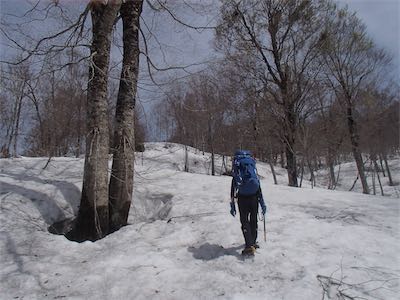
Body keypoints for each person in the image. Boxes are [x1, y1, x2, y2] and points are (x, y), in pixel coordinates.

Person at [230, 150, 266, 256]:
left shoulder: (237, 171)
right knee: (253, 220)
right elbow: (258, 186)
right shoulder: (252, 170)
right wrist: (262, 203)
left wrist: (232, 206)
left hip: (243, 198)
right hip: (254, 197)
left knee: (245, 221)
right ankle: (253, 242)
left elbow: (233, 189)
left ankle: (248, 246)